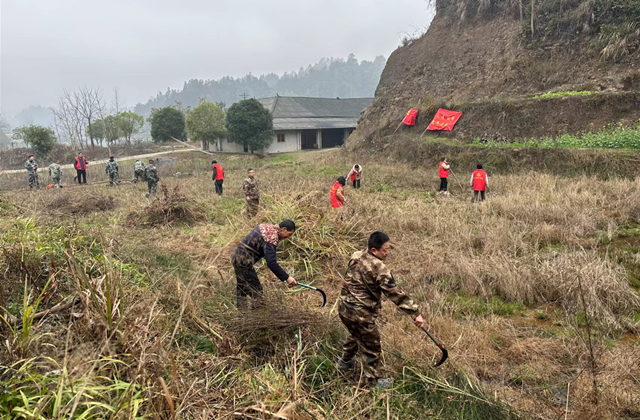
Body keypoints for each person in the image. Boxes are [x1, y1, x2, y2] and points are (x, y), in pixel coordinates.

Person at [337, 231, 425, 388]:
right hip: (361, 314)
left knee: (356, 334)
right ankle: (371, 384)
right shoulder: (380, 268)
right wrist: (415, 313)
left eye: (389, 248)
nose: (388, 252)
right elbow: (395, 293)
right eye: (385, 250)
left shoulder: (356, 255)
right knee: (372, 347)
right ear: (374, 250)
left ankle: (344, 362)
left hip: (344, 308)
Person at [230, 220, 298, 309]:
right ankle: (258, 316)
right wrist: (287, 278)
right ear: (283, 229)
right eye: (289, 234)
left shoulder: (266, 227)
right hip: (244, 260)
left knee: (242, 287)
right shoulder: (271, 237)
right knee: (257, 291)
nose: (288, 237)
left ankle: (242, 315)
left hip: (236, 255)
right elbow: (271, 263)